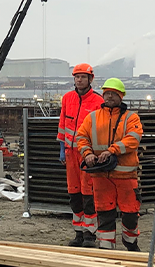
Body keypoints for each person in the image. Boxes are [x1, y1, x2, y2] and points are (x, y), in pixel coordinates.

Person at [75, 78, 144, 251]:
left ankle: (130, 243)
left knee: (130, 214)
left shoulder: (131, 117)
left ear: (121, 96)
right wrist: (88, 153)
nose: (109, 97)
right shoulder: (93, 117)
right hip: (100, 176)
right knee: (104, 213)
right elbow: (81, 137)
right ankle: (106, 248)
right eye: (107, 94)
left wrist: (112, 151)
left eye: (113, 94)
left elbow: (133, 139)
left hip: (125, 176)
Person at [57, 63, 104, 247]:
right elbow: (62, 125)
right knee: (74, 193)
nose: (79, 80)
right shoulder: (67, 99)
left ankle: (90, 234)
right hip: (70, 154)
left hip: (87, 156)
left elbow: (101, 130)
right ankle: (78, 232)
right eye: (77, 77)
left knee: (88, 194)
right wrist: (62, 148)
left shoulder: (98, 101)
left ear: (90, 79)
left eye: (83, 77)